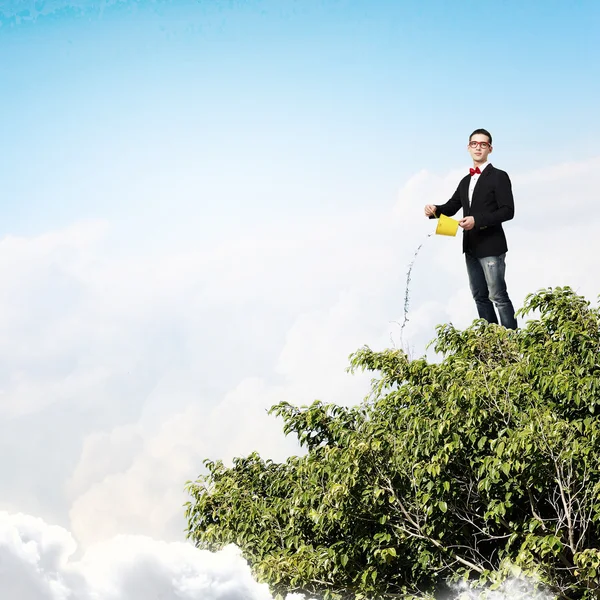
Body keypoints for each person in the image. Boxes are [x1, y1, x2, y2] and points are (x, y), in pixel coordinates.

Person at [424, 129, 517, 329]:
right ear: (468, 147)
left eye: (483, 144)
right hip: (471, 247)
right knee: (480, 297)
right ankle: (492, 347)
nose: (478, 147)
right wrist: (435, 210)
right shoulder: (465, 181)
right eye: (474, 144)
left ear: (490, 149)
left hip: (492, 247)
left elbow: (508, 211)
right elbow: (451, 206)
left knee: (498, 296)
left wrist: (478, 220)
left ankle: (512, 345)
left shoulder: (499, 176)